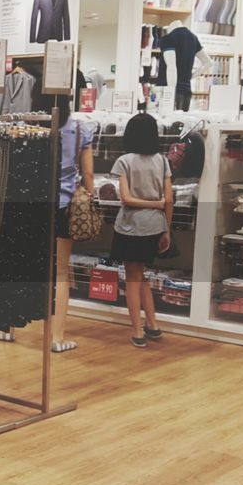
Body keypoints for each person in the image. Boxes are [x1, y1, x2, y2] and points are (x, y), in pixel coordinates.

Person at [110, 113, 173, 348]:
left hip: (130, 227)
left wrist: (152, 204)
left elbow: (126, 199)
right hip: (155, 226)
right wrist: (166, 228)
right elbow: (169, 199)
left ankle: (137, 330)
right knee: (142, 274)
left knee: (132, 277)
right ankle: (153, 325)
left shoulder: (124, 161)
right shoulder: (163, 161)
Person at [50, 101, 94, 353]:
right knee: (61, 272)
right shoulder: (80, 129)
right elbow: (88, 173)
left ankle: (6, 328)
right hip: (65, 204)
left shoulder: (35, 124)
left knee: (28, 265)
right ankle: (57, 338)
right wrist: (90, 195)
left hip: (33, 201)